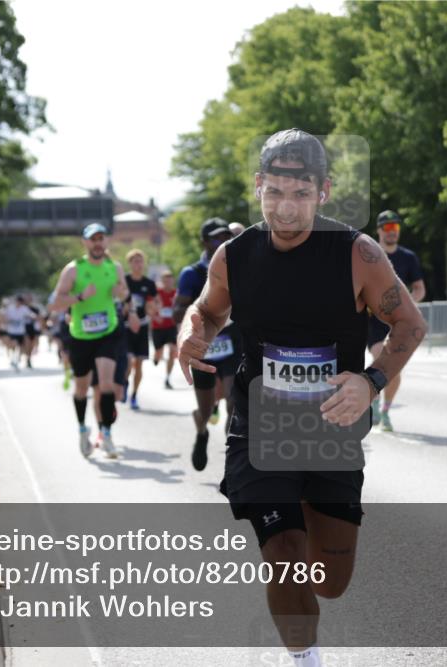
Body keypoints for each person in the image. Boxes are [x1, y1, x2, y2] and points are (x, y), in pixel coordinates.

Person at [178, 128, 426, 667]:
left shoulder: (357, 254)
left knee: (330, 580)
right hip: (258, 425)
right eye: (273, 193)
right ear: (258, 186)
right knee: (284, 556)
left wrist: (371, 381)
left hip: (330, 429)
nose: (285, 208)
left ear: (324, 191)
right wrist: (190, 330)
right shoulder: (234, 255)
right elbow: (208, 309)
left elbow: (409, 323)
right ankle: (304, 658)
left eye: (300, 194)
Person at [49, 223, 129, 459]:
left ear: (106, 242)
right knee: (82, 388)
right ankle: (83, 429)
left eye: (101, 238)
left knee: (106, 385)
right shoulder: (73, 270)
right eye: (92, 239)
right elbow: (55, 303)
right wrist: (81, 296)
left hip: (108, 332)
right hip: (80, 336)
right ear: (85, 243)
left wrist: (122, 294)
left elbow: (125, 294)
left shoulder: (114, 268)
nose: (97, 243)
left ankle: (106, 434)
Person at [174, 218, 238, 471]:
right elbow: (177, 310)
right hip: (204, 349)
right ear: (204, 242)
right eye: (215, 239)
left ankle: (232, 459)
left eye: (226, 238)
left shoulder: (239, 268)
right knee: (206, 408)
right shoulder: (192, 273)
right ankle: (201, 432)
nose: (221, 243)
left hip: (234, 343)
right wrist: (194, 320)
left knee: (235, 403)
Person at [365, 210, 425, 432]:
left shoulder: (408, 257)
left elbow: (419, 288)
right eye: (388, 228)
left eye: (396, 228)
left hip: (398, 322)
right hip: (373, 322)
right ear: (379, 231)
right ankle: (371, 397)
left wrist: (406, 303)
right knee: (382, 356)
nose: (392, 232)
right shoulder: (370, 254)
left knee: (395, 370)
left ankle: (384, 409)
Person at [124, 248, 158, 410]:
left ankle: (134, 394)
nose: (138, 264)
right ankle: (124, 384)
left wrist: (153, 309)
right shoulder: (124, 281)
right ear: (129, 263)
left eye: (140, 261)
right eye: (135, 261)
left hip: (143, 326)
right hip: (126, 326)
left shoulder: (149, 284)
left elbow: (154, 304)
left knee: (139, 363)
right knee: (129, 361)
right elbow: (117, 301)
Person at [151, 269, 178, 389]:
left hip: (171, 327)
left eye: (170, 281)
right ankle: (156, 357)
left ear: (173, 281)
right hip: (158, 327)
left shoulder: (177, 293)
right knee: (159, 352)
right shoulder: (157, 293)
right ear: (162, 282)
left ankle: (167, 377)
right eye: (165, 281)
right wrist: (155, 316)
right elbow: (149, 307)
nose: (167, 283)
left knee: (173, 351)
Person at [1, 295, 34, 371]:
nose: (18, 303)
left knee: (19, 346)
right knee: (13, 344)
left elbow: (30, 314)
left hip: (20, 331)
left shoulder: (24, 309)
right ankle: (13, 358)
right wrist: (5, 321)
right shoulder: (10, 308)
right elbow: (3, 315)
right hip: (12, 330)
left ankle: (16, 359)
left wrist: (33, 317)